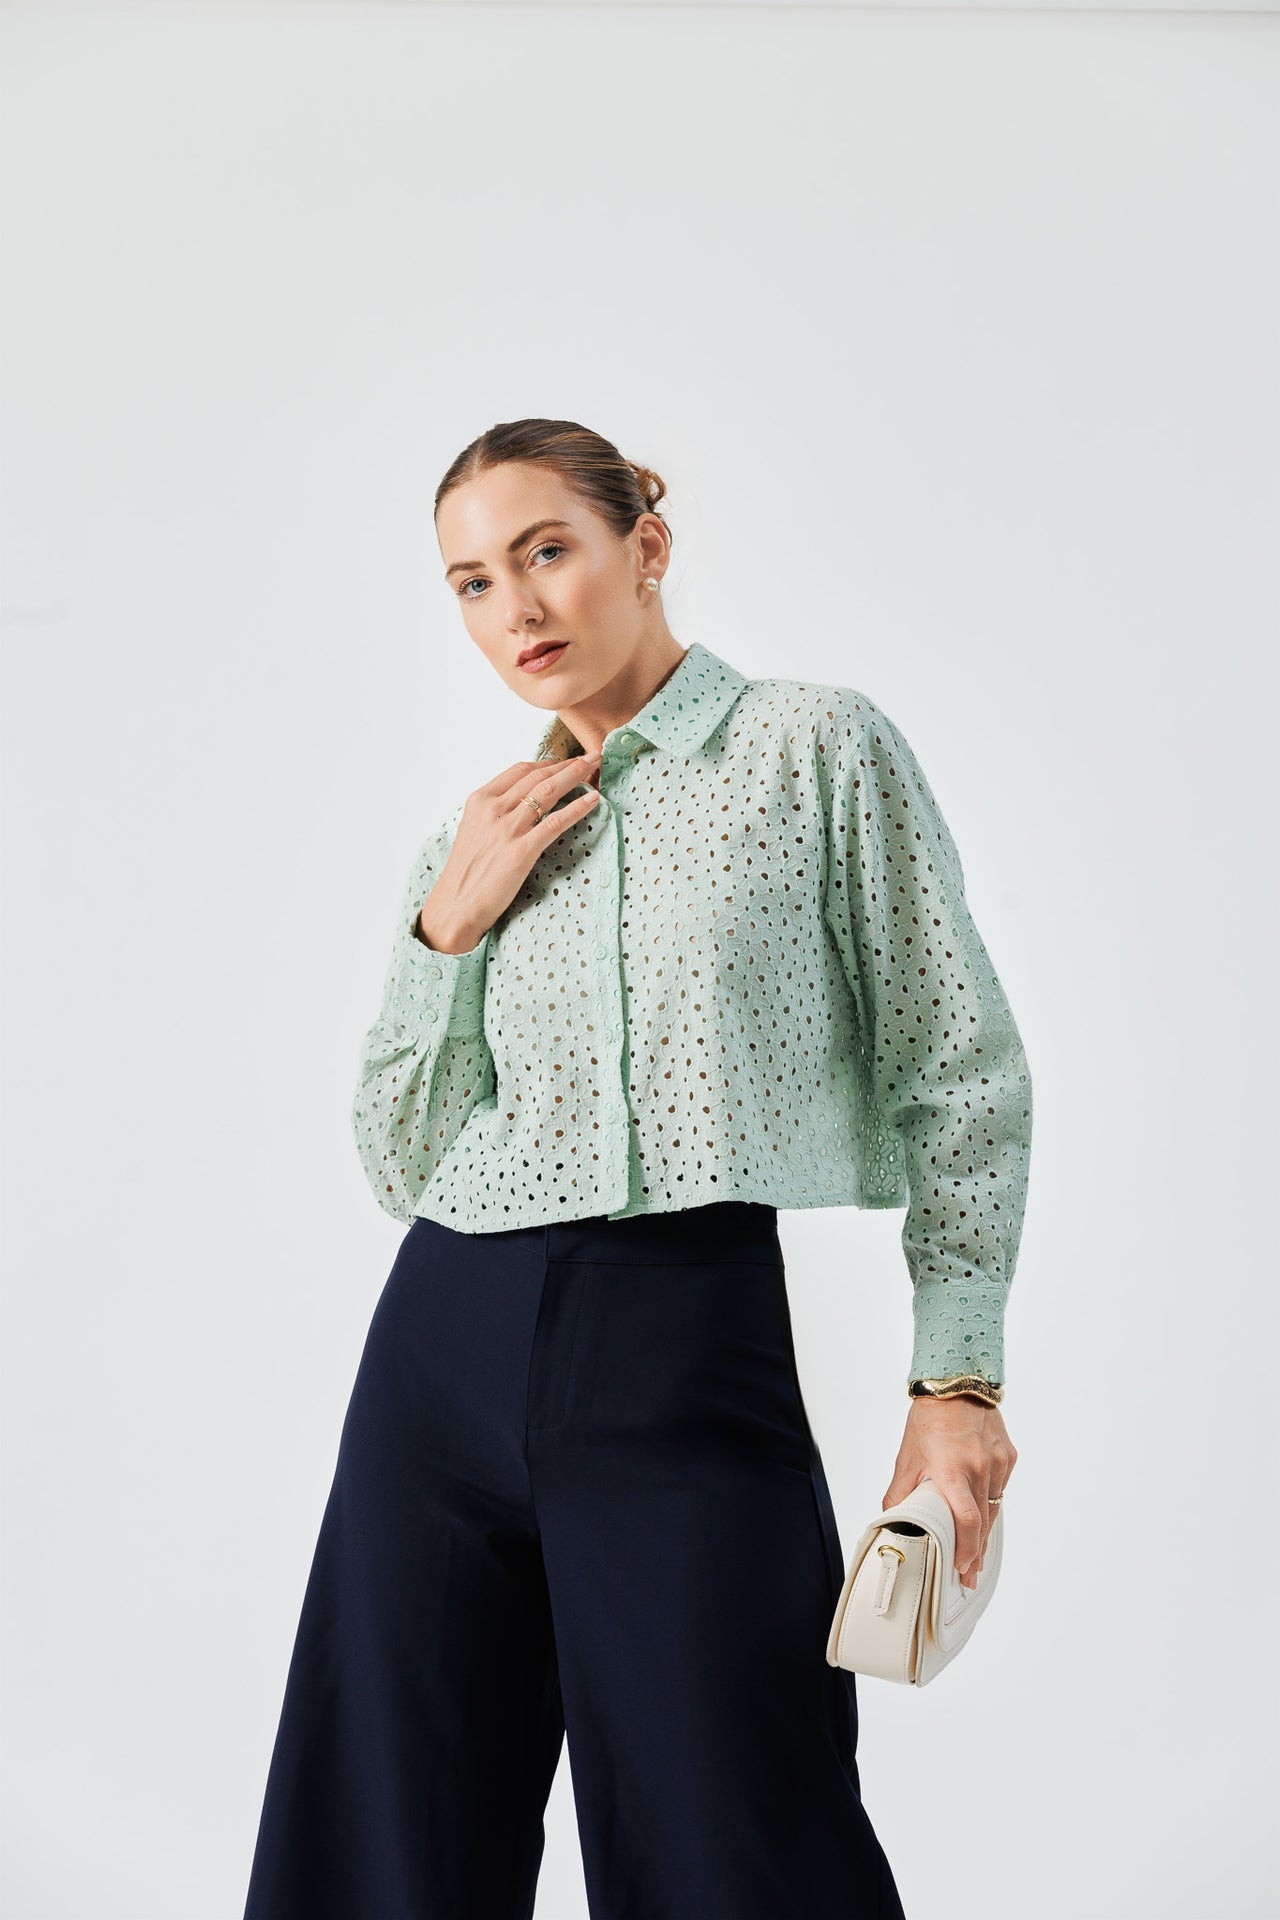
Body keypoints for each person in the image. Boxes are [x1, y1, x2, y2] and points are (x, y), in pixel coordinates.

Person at [242, 417, 1032, 1920]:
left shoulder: (813, 749)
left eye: (546, 551)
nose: (517, 608)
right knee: (385, 1835)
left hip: (683, 1336)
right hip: (441, 1348)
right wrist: (443, 933)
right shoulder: (477, 833)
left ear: (644, 546)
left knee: (735, 1834)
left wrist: (958, 1380)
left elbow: (961, 1072)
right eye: (474, 583)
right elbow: (400, 1158)